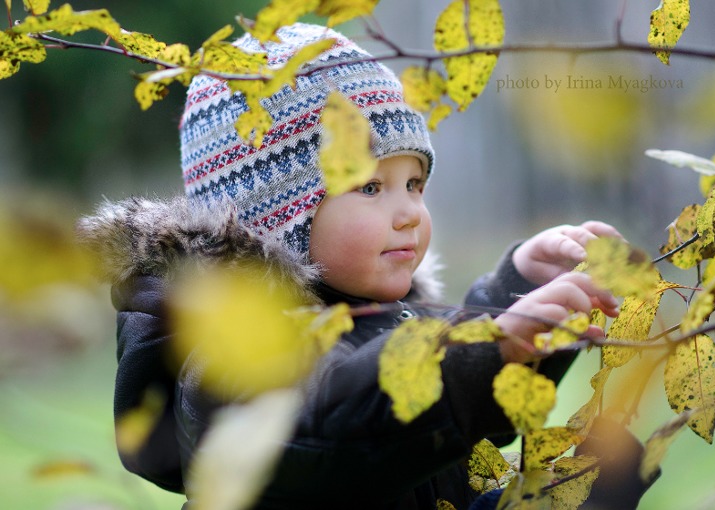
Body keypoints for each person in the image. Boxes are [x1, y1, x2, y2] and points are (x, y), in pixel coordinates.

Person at [79, 22, 630, 510]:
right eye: (370, 187)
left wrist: (518, 295)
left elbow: (428, 432)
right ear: (274, 218)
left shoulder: (381, 315)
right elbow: (337, 429)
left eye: (415, 184)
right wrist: (484, 354)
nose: (410, 213)